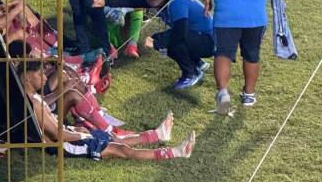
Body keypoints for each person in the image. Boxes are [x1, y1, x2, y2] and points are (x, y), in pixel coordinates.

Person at [20, 60, 196, 161]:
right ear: (27, 77)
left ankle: (157, 135)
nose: (45, 78)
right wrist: (84, 135)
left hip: (70, 136)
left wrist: (75, 129)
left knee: (113, 139)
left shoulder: (34, 98)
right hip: (68, 146)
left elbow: (57, 126)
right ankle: (176, 152)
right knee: (121, 150)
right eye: (39, 75)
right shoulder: (35, 105)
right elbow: (59, 136)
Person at [94, 0, 214, 91]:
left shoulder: (176, 3)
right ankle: (197, 63)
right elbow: (132, 1)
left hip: (209, 42)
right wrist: (106, 2)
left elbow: (180, 33)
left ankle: (191, 73)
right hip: (199, 38)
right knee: (162, 40)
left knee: (165, 41)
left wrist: (157, 43)